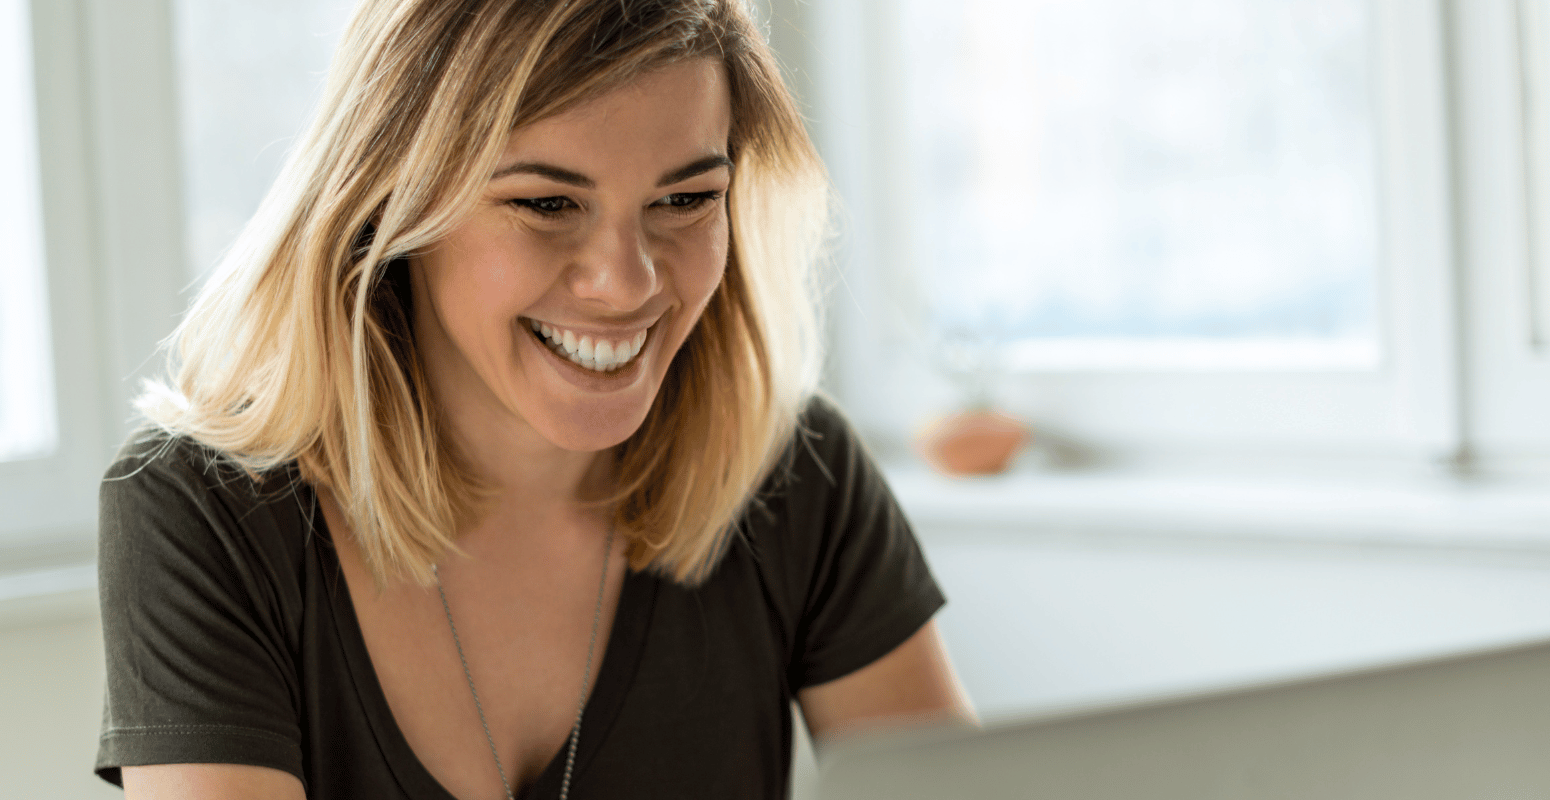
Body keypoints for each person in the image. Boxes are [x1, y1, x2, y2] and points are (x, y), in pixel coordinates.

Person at [93, 0, 974, 798]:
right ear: (395, 198)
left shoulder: (793, 475)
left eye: (686, 198)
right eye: (549, 203)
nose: (625, 283)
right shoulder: (201, 512)